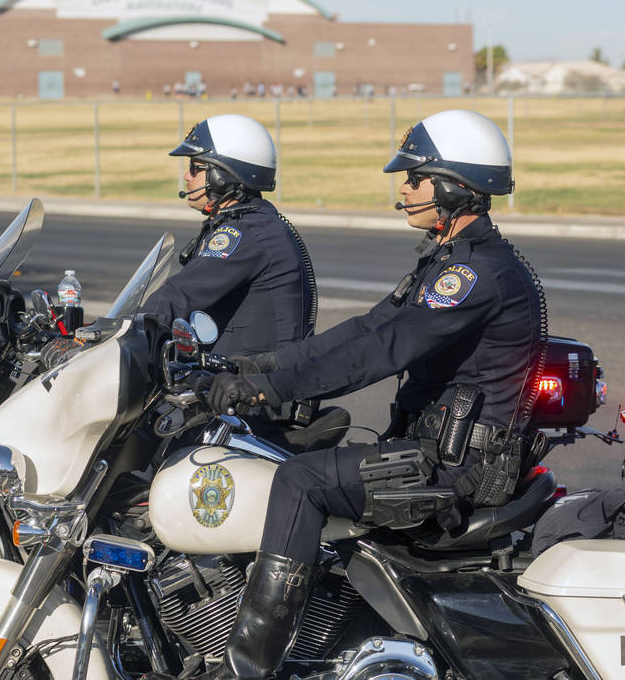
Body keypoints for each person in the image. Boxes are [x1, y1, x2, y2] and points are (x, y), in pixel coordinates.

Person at [199, 109, 546, 679]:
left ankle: (247, 667)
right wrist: (250, 366)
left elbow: (382, 351)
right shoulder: (452, 262)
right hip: (438, 450)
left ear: (456, 187)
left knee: (299, 481)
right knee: (284, 458)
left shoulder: (476, 276)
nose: (403, 188)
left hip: (454, 469)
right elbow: (363, 329)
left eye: (416, 178)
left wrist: (267, 392)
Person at [138, 114, 317, 359]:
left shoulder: (244, 234)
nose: (187, 177)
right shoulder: (254, 222)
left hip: (250, 385)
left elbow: (181, 293)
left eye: (195, 168)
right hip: (243, 375)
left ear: (222, 177)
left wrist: (130, 328)